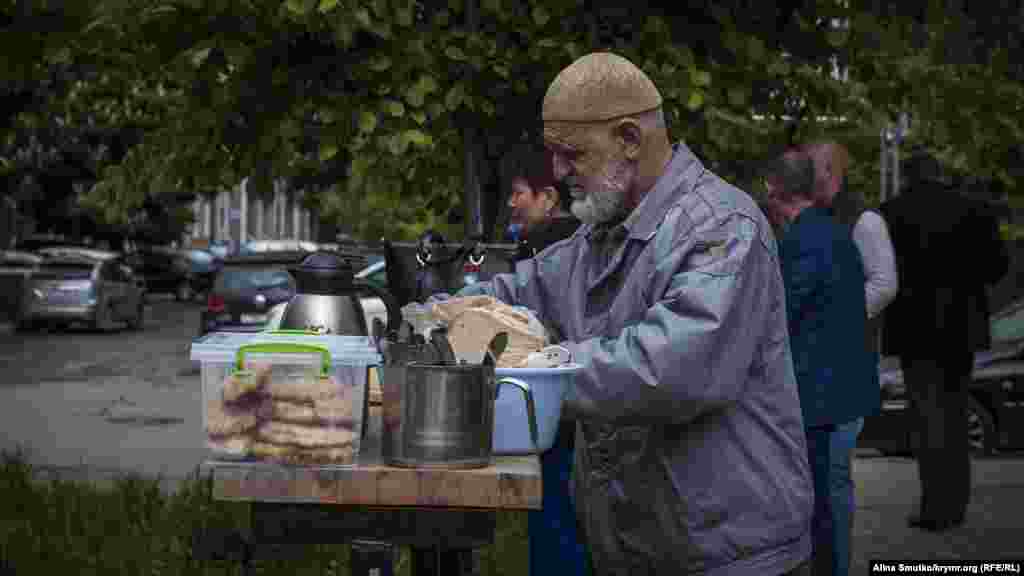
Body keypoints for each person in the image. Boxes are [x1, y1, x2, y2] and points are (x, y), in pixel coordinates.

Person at [446, 51, 813, 575]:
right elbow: (520, 291)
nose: (557, 171)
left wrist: (528, 366)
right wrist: (443, 315)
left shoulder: (723, 228)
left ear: (629, 139)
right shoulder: (603, 233)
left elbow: (670, 369)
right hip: (641, 549)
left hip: (729, 558)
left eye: (571, 154)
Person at [763, 149, 880, 575]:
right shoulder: (833, 233)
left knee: (826, 501)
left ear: (774, 191)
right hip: (843, 391)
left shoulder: (800, 242)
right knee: (832, 494)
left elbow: (780, 315)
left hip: (826, 398)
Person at [880, 151, 1009, 532]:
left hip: (914, 332)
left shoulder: (891, 214)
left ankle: (935, 505)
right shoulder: (973, 211)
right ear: (940, 175)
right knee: (954, 414)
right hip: (961, 331)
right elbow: (997, 267)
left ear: (906, 177)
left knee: (927, 416)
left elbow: (879, 272)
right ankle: (955, 504)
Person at [805, 139, 898, 576]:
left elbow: (884, 284)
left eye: (812, 169)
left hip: (846, 368)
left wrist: (834, 317)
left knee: (834, 476)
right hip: (817, 369)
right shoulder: (813, 217)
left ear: (831, 172)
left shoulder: (864, 221)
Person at [505, 148, 589, 576]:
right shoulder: (588, 239)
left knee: (555, 514)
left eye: (520, 193)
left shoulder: (542, 246)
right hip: (587, 404)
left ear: (549, 198)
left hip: (553, 397)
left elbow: (524, 327)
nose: (512, 202)